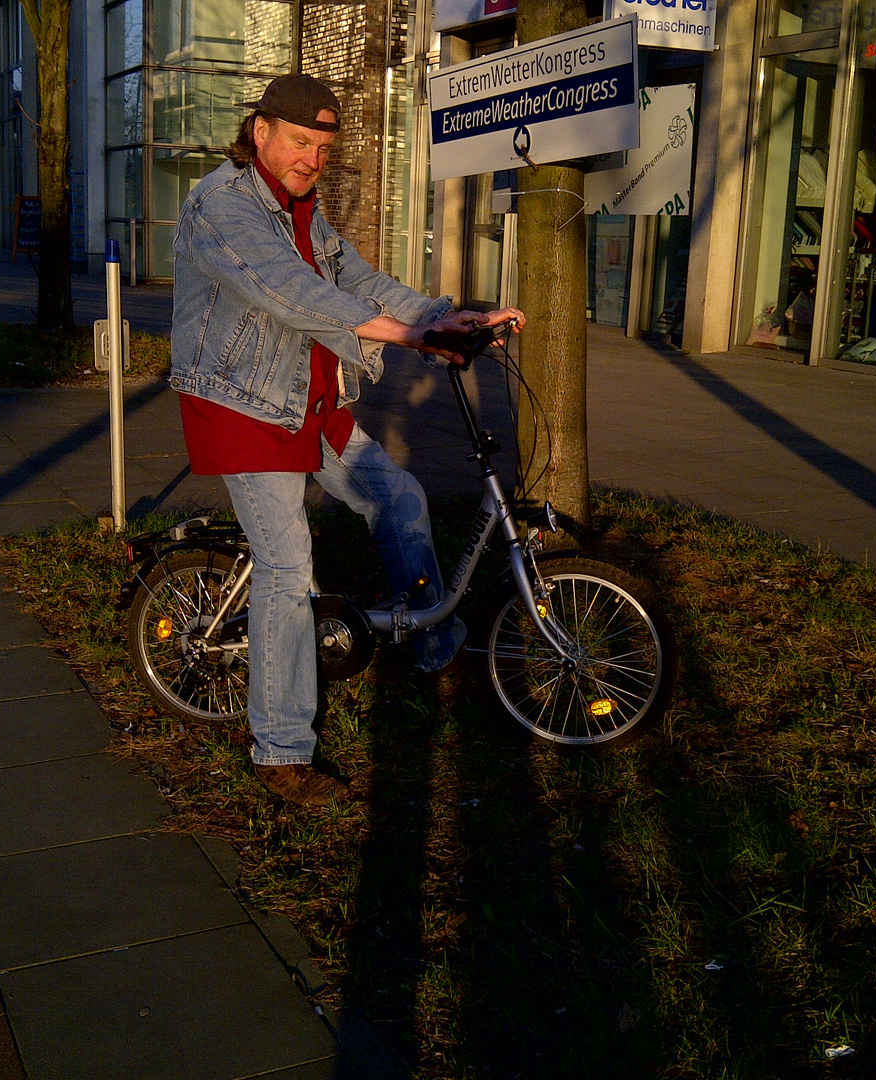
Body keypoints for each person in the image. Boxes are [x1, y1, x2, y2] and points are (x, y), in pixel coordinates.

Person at [170, 73, 523, 807]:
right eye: (300, 142)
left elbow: (354, 278)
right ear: (260, 130)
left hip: (311, 399)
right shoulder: (221, 206)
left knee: (400, 498)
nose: (310, 159)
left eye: (322, 148)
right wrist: (409, 336)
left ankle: (434, 650)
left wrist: (445, 316)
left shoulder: (302, 207)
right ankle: (281, 753)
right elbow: (292, 294)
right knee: (288, 569)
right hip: (245, 405)